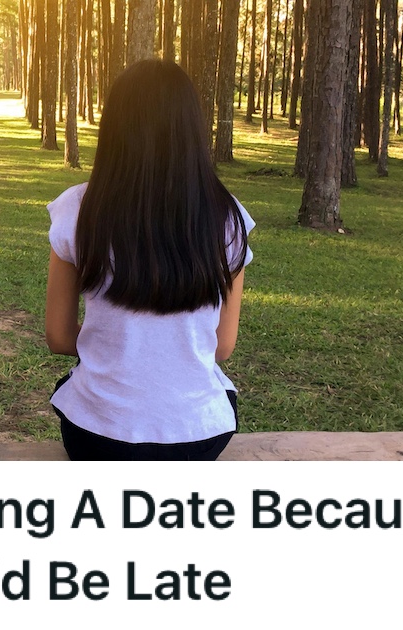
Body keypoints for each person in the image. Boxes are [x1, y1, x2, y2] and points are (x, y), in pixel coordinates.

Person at [44, 59, 255, 461]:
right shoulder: (228, 218)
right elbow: (222, 347)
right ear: (192, 131)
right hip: (198, 436)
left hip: (97, 436)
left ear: (114, 130)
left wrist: (114, 351)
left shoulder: (76, 209)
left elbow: (57, 336)